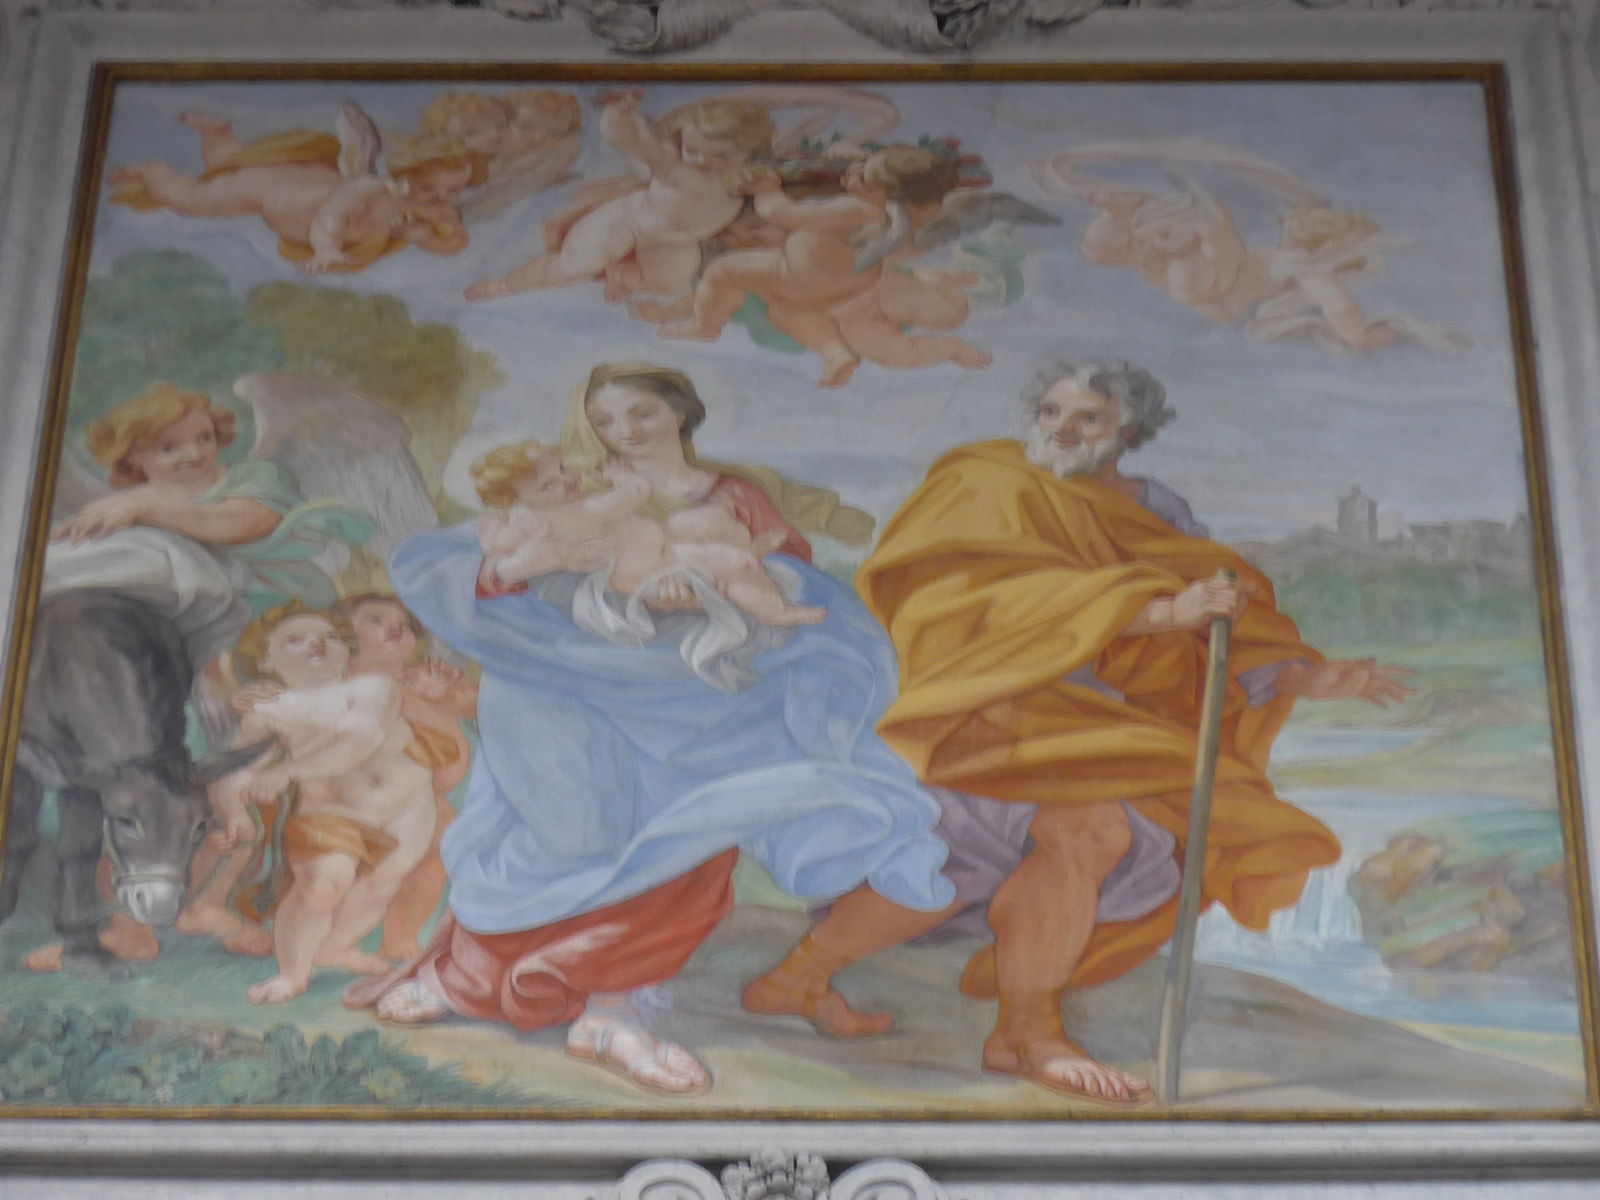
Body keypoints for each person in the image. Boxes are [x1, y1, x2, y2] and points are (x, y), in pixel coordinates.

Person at [741, 355, 1414, 1104]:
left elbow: (1217, 625)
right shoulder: (984, 481)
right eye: (1051, 412)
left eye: (1088, 418)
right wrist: (1154, 610)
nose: (1063, 429)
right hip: (979, 709)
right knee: (949, 863)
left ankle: (1000, 1026)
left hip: (1100, 729)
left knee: (1070, 838)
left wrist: (1301, 676)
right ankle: (884, 999)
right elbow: (952, 600)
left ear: (1129, 430)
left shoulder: (1158, 509)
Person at [346, 362, 953, 1095]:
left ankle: (612, 1011)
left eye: (640, 414)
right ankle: (466, 979)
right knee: (539, 830)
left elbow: (781, 578)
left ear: (680, 414)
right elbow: (476, 559)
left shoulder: (732, 495)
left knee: (679, 840)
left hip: (684, 701)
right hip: (556, 685)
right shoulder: (565, 484)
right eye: (604, 420)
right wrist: (536, 569)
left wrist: (711, 593)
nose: (622, 432)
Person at [209, 603, 436, 1004]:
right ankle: (292, 974)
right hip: (332, 811)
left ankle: (335, 947)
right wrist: (235, 812)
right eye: (295, 640)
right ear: (267, 659)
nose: (317, 643)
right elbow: (237, 769)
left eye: (330, 637)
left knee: (381, 886)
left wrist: (288, 771)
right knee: (320, 887)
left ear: (346, 650)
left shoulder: (371, 688)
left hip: (408, 808)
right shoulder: (266, 711)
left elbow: (360, 741)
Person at [638, 144, 990, 388]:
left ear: (890, 193)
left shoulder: (852, 209)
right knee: (891, 351)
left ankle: (705, 327)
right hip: (853, 292)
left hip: (793, 277)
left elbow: (782, 213)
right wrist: (864, 163)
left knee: (722, 272)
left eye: (864, 176)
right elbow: (891, 250)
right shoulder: (894, 216)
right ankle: (844, 353)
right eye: (862, 167)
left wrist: (768, 189)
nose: (853, 173)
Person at [472, 440, 825, 628]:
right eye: (548, 485)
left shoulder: (524, 518)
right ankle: (774, 609)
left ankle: (750, 551)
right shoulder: (587, 509)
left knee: (714, 520)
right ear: (517, 498)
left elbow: (501, 546)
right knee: (736, 564)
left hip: (662, 540)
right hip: (656, 568)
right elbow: (639, 491)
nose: (567, 481)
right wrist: (620, 476)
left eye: (563, 469)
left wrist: (492, 536)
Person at [464, 92, 775, 304]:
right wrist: (618, 113)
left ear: (748, 153)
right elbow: (627, 139)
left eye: (720, 156)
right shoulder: (674, 167)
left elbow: (769, 197)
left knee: (670, 285)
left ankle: (623, 274)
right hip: (625, 222)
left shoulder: (744, 181)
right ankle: (507, 284)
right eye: (692, 149)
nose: (702, 160)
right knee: (574, 267)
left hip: (673, 243)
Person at [109, 111, 474, 274]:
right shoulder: (370, 189)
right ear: (408, 174)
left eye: (456, 189)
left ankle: (218, 133)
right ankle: (154, 171)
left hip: (294, 193)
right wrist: (327, 249)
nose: (446, 198)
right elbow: (331, 215)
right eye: (431, 187)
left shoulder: (432, 211)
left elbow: (455, 243)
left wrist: (424, 236)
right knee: (193, 200)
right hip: (279, 192)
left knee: (233, 164)